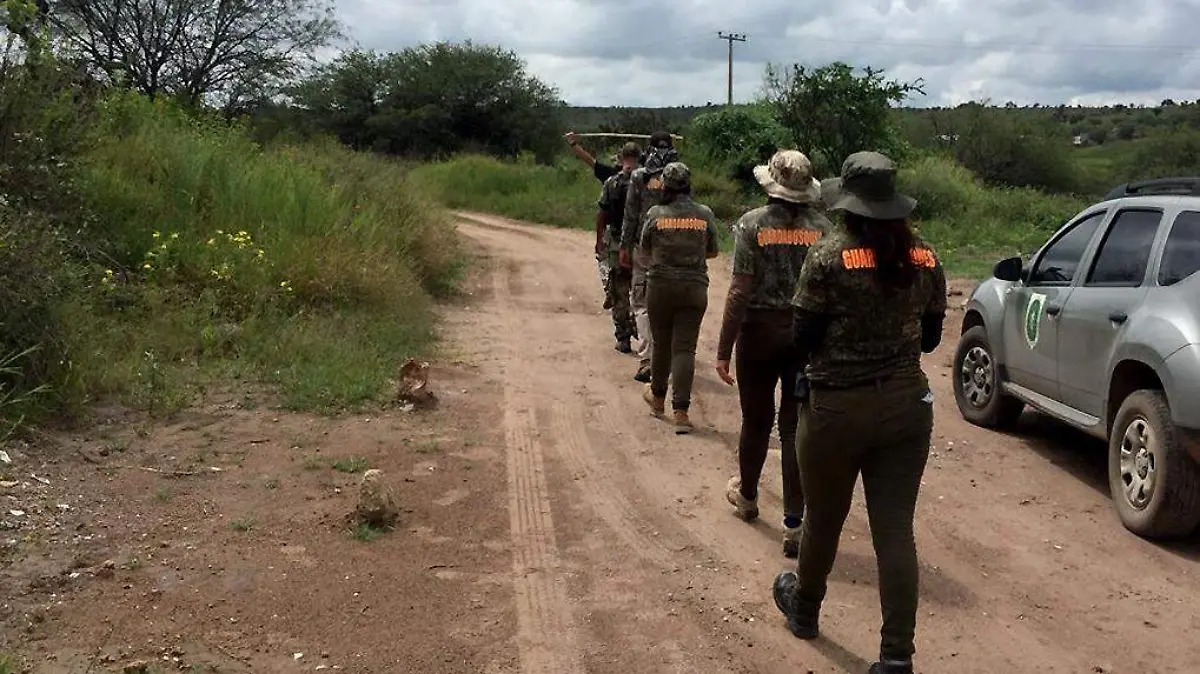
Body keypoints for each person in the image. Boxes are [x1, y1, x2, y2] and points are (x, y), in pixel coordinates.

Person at [771, 151, 947, 674]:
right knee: (894, 530)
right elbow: (934, 338)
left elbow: (801, 338)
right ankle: (896, 657)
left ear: (846, 202)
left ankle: (804, 612)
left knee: (824, 519)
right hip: (906, 407)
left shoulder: (828, 257)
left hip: (836, 410)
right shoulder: (926, 257)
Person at [715, 150, 830, 558]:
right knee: (795, 427)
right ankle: (794, 524)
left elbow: (740, 289)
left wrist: (724, 348)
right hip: (805, 336)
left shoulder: (751, 224)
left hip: (759, 335)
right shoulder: (824, 228)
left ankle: (747, 497)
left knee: (757, 421)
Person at [638, 162, 720, 434]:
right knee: (685, 349)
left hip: (660, 285)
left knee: (661, 343)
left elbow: (645, 248)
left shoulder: (655, 214)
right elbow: (713, 252)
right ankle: (682, 412)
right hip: (694, 287)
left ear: (665, 186)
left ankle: (658, 398)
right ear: (689, 185)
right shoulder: (704, 214)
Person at [620, 130, 679, 383]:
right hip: (674, 246)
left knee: (642, 303)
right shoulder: (681, 175)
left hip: (644, 247)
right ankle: (670, 359)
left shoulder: (638, 177)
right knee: (670, 303)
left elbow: (631, 215)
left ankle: (647, 360)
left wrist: (624, 246)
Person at [566, 131, 623, 311]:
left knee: (603, 260)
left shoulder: (610, 175)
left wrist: (573, 144)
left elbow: (588, 160)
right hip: (637, 231)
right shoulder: (643, 176)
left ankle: (609, 289)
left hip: (613, 229)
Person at [596, 142, 641, 353]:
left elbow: (602, 213)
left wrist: (599, 240)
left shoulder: (612, 183)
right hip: (642, 245)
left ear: (621, 158)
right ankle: (648, 337)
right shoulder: (648, 183)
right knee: (643, 293)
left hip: (616, 243)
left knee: (619, 291)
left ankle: (623, 336)